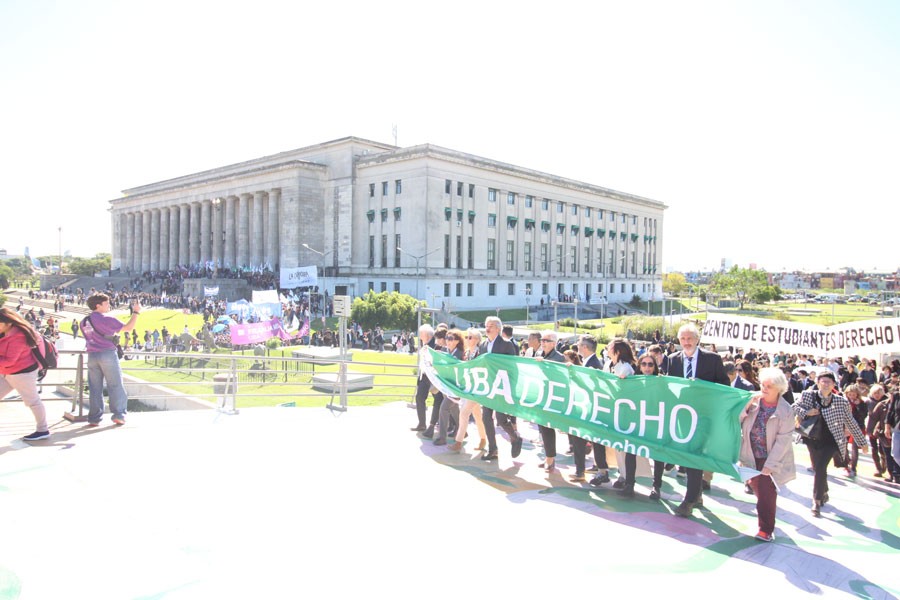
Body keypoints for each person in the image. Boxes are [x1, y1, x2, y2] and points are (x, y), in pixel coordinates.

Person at [667, 322, 729, 518]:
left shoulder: (712, 359)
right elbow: (669, 385)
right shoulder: (672, 360)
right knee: (687, 454)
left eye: (690, 338)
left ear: (697, 339)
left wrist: (702, 387)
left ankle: (689, 500)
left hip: (704, 416)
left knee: (694, 454)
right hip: (682, 416)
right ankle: (697, 494)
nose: (686, 342)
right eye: (683, 339)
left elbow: (724, 385)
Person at [793, 371, 868, 517]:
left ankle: (817, 500)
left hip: (832, 440)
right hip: (812, 438)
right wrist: (807, 412)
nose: (825, 384)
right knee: (817, 468)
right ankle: (824, 491)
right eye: (823, 381)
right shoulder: (808, 395)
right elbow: (794, 407)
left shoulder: (841, 401)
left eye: (829, 382)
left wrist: (862, 442)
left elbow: (851, 422)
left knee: (821, 467)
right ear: (818, 382)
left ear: (834, 384)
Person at [736, 367, 796, 542]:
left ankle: (765, 529)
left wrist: (771, 464)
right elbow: (736, 420)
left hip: (769, 457)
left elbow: (783, 440)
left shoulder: (785, 411)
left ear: (779, 389)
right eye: (763, 384)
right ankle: (767, 520)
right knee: (758, 490)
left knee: (766, 494)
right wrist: (747, 406)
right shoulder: (753, 401)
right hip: (750, 454)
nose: (764, 388)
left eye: (769, 386)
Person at [80, 293, 142, 426]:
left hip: (92, 355)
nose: (109, 306)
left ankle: (94, 418)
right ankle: (119, 414)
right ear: (98, 305)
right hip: (107, 353)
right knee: (115, 385)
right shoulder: (107, 319)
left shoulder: (84, 321)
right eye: (106, 303)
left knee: (95, 388)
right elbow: (128, 328)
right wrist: (136, 312)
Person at [0, 308, 51, 441]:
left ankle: (43, 430)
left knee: (33, 401)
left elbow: (10, 360)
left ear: (8, 323)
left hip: (22, 373)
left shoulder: (18, 336)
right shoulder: (5, 332)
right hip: (7, 373)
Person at [479, 316, 522, 461]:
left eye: (490, 325)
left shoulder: (506, 344)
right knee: (486, 417)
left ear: (498, 328)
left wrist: (510, 386)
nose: (487, 328)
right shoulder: (483, 345)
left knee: (501, 418)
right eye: (486, 325)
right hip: (488, 387)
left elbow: (512, 367)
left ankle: (515, 437)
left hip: (502, 386)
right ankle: (493, 449)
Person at [449, 328, 487, 453]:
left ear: (477, 340)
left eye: (470, 337)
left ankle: (459, 441)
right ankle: (483, 438)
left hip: (476, 389)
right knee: (477, 416)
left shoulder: (480, 354)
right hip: (467, 388)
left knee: (464, 413)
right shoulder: (466, 353)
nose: (467, 339)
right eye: (467, 337)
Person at [534, 331, 565, 472]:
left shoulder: (559, 357)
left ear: (553, 343)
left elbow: (557, 374)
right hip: (542, 395)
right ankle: (548, 457)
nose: (543, 342)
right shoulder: (541, 355)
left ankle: (551, 459)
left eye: (546, 340)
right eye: (542, 340)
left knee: (548, 428)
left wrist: (545, 363)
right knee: (542, 427)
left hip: (553, 398)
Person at [411, 324, 444, 434]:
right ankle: (422, 424)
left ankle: (434, 424)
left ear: (426, 335)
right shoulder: (424, 344)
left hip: (434, 379)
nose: (419, 337)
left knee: (439, 399)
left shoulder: (436, 346)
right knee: (419, 398)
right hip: (424, 377)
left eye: (420, 334)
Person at [432, 329, 463, 446]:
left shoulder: (460, 353)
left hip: (455, 387)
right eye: (447, 338)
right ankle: (462, 431)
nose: (448, 341)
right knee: (454, 409)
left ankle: (442, 437)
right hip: (446, 386)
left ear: (457, 341)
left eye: (450, 339)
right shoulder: (445, 350)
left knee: (444, 408)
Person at [843, 383, 867, 477]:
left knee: (855, 448)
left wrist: (858, 406)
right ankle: (846, 464)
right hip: (844, 426)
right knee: (843, 446)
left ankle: (853, 467)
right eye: (850, 394)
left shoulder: (862, 403)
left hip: (857, 427)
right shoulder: (843, 402)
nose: (852, 397)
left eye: (854, 394)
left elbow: (863, 416)